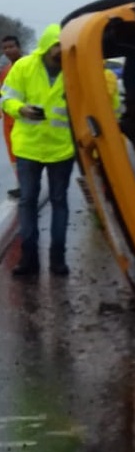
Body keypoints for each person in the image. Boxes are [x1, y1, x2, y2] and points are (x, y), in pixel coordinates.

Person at [0, 24, 74, 277]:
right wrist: (21, 109)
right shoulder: (24, 67)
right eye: (57, 46)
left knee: (59, 202)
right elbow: (6, 98)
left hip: (61, 148)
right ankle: (29, 259)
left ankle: (58, 260)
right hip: (29, 147)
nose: (61, 51)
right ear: (47, 45)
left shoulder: (74, 69)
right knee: (27, 201)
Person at [0, 35, 24, 198]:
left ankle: (28, 185)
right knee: (13, 154)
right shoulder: (5, 70)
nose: (8, 50)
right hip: (8, 118)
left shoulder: (28, 66)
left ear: (19, 47)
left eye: (11, 46)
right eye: (5, 48)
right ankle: (21, 184)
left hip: (23, 118)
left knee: (24, 153)